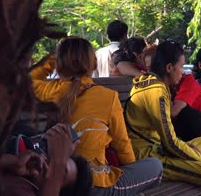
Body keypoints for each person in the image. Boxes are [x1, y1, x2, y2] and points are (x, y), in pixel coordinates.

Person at [30, 37, 162, 195]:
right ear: (93, 65)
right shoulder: (108, 96)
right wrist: (131, 169)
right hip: (95, 185)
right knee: (155, 166)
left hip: (59, 183)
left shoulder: (49, 90)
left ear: (59, 66)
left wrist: (55, 57)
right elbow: (122, 145)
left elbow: (30, 78)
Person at [125, 41, 201, 186]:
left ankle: (194, 159)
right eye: (181, 66)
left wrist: (191, 154)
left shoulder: (151, 84)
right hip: (148, 157)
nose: (183, 71)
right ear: (169, 68)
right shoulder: (156, 92)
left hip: (161, 148)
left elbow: (169, 142)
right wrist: (199, 158)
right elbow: (171, 142)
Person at [0, 123, 92, 196]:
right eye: (49, 157)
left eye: (60, 171)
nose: (45, 160)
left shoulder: (23, 190)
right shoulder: (16, 168)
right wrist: (7, 162)